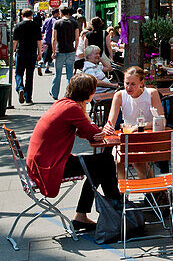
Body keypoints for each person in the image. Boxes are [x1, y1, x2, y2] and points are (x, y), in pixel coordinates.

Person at [26, 72, 121, 231]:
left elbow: (84, 132)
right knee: (104, 162)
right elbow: (92, 133)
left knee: (100, 165)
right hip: (50, 167)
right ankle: (115, 207)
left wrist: (89, 129)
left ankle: (96, 212)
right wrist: (87, 116)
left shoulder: (63, 103)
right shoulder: (72, 108)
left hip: (41, 163)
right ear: (87, 92)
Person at [12, 7, 42, 105]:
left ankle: (20, 88)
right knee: (29, 75)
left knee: (18, 73)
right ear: (31, 15)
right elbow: (39, 41)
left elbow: (15, 41)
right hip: (32, 53)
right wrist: (39, 53)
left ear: (22, 16)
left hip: (21, 52)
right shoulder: (36, 26)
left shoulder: (18, 26)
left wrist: (12, 53)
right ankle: (28, 97)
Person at [51, 6, 80, 100]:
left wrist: (53, 51)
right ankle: (68, 94)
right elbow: (77, 38)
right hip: (70, 50)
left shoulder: (57, 23)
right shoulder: (74, 23)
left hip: (60, 50)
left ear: (61, 13)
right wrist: (75, 49)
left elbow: (54, 38)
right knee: (69, 75)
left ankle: (54, 93)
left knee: (57, 73)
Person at [40, 8, 60, 74]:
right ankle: (46, 67)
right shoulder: (56, 21)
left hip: (45, 39)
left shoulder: (46, 20)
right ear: (56, 13)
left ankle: (41, 63)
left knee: (44, 53)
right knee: (50, 54)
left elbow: (42, 30)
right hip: (52, 40)